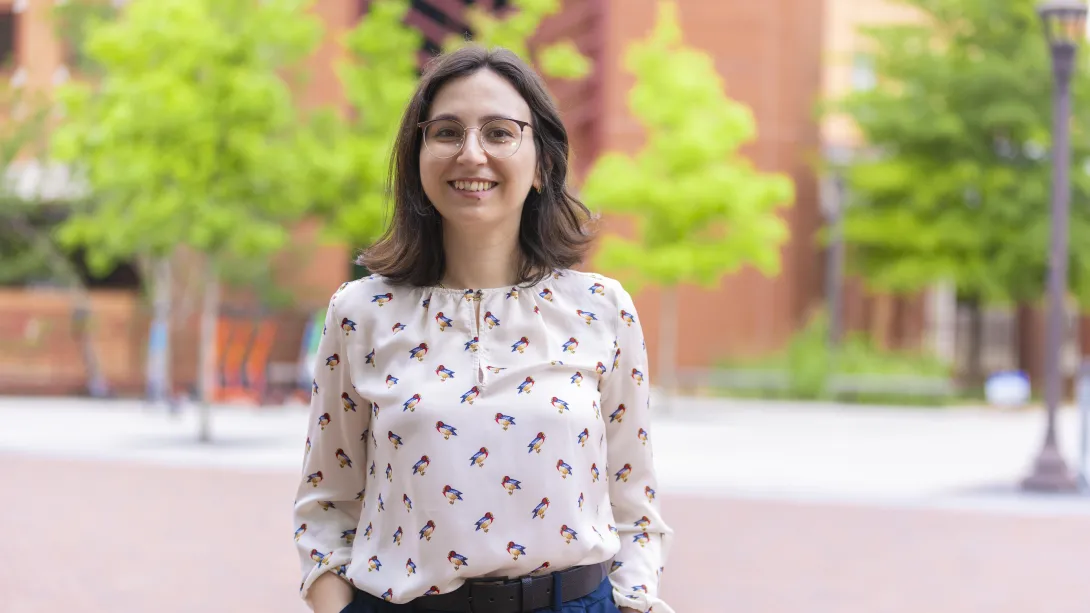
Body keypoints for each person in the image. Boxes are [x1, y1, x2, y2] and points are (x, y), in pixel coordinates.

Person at [292, 45, 672, 613]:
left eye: (499, 132)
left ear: (542, 162)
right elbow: (326, 506)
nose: (471, 154)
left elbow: (634, 508)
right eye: (446, 132)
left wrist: (636, 603)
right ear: (417, 157)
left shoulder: (602, 309)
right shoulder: (361, 312)